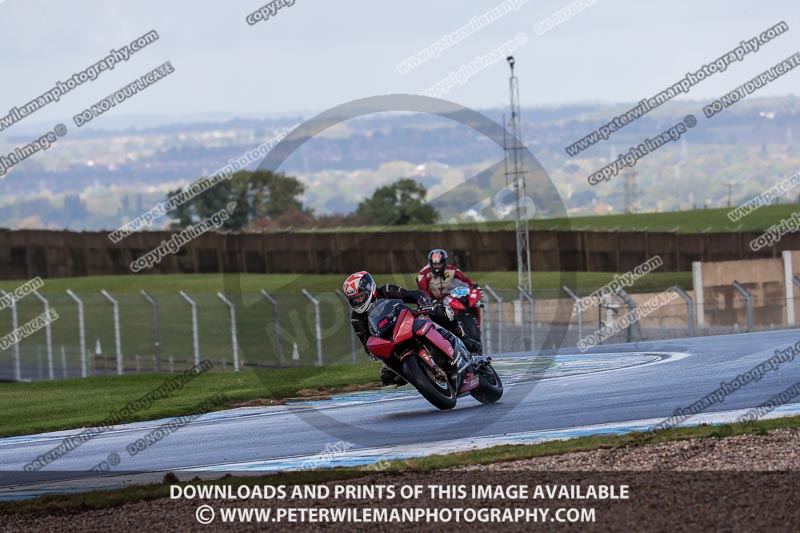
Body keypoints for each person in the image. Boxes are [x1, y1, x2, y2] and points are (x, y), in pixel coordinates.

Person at [343, 271, 482, 386]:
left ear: (370, 289)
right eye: (354, 299)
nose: (358, 301)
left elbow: (413, 294)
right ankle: (421, 377)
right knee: (387, 377)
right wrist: (374, 353)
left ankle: (465, 339)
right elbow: (366, 341)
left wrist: (424, 303)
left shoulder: (385, 290)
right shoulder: (357, 318)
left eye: (360, 296)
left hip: (410, 321)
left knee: (442, 312)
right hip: (390, 340)